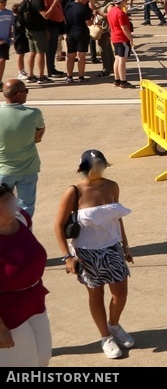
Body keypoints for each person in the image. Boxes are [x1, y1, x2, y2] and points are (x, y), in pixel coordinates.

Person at [53, 150, 133, 359]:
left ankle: (114, 325)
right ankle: (105, 337)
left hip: (113, 247)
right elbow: (59, 225)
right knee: (96, 295)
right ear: (85, 167)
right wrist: (67, 257)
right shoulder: (74, 191)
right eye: (95, 164)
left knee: (120, 293)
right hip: (87, 252)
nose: (99, 168)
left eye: (102, 163)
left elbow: (117, 217)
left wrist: (126, 245)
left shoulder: (112, 186)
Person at [0, 182, 50, 367]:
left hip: (35, 301)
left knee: (43, 358)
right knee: (24, 364)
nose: (13, 203)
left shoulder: (21, 218)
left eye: (11, 198)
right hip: (8, 313)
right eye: (5, 201)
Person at [0, 79, 45, 217]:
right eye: (26, 91)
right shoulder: (34, 113)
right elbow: (39, 135)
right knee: (26, 208)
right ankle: (25, 235)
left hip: (3, 169)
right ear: (18, 95)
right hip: (28, 168)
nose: (27, 93)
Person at [63, 0, 93, 82]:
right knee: (81, 56)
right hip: (81, 33)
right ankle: (81, 76)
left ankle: (69, 76)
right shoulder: (83, 9)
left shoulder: (68, 6)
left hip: (70, 32)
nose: (87, 1)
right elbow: (88, 23)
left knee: (70, 56)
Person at [106, 0, 134, 89]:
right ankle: (123, 81)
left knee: (117, 59)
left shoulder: (111, 11)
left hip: (114, 37)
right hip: (122, 38)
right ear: (122, 2)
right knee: (122, 60)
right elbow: (124, 28)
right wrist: (131, 39)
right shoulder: (120, 13)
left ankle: (116, 80)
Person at [0, 0, 13, 83]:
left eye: (5, 1)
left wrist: (11, 37)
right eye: (1, 1)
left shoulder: (9, 13)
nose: (4, 3)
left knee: (2, 60)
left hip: (5, 41)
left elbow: (11, 26)